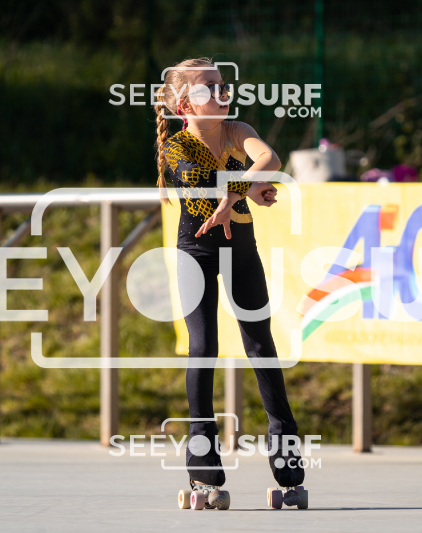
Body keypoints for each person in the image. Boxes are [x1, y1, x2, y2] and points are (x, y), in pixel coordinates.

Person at [153, 58, 306, 501]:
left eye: (223, 86)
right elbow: (203, 185)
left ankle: (288, 463)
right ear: (185, 105)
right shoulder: (176, 148)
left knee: (261, 345)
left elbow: (270, 158)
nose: (222, 95)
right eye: (208, 89)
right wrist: (249, 187)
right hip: (196, 251)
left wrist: (240, 190)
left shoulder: (237, 129)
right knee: (203, 348)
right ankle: (203, 467)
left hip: (241, 249)